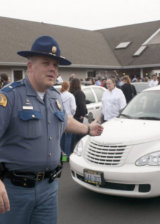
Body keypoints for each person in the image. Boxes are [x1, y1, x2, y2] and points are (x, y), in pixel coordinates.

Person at [0, 35, 103, 224]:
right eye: (46, 63)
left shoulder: (54, 97)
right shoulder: (10, 97)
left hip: (49, 189)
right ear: (30, 66)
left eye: (56, 65)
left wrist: (88, 129)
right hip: (14, 192)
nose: (52, 69)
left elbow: (64, 121)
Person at [69, 78, 87, 151]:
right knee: (78, 137)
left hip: (70, 117)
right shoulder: (79, 93)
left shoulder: (70, 93)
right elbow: (82, 105)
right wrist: (83, 113)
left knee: (70, 138)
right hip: (78, 116)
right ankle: (76, 152)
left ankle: (66, 156)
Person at [60, 81, 77, 156]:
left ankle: (61, 156)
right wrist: (72, 115)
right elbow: (73, 108)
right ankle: (66, 157)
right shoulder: (71, 96)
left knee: (62, 139)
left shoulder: (59, 95)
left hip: (61, 118)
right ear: (68, 87)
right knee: (68, 138)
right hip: (69, 118)